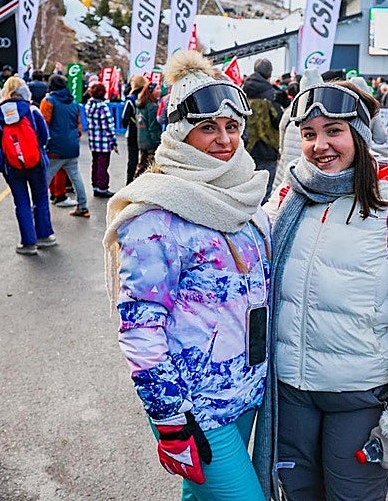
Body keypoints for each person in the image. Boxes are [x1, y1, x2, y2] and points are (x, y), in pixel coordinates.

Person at [255, 80, 388, 501]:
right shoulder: (288, 198)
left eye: (334, 131)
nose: (320, 145)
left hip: (358, 397)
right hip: (290, 392)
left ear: (360, 134)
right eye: (309, 134)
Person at [105, 50, 270, 500]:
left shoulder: (246, 198)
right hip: (195, 404)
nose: (224, 140)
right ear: (180, 133)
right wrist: (169, 418)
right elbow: (139, 328)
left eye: (232, 126)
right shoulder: (156, 216)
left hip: (246, 388)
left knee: (199, 496)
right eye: (207, 128)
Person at [0, 76, 57, 255]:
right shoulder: (32, 110)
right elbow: (44, 135)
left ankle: (28, 243)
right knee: (41, 198)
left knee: (21, 202)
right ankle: (45, 236)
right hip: (36, 162)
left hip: (10, 165)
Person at [40, 74, 90, 218]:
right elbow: (79, 125)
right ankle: (83, 206)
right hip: (72, 145)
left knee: (45, 178)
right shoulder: (74, 102)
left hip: (54, 146)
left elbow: (43, 125)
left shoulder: (48, 101)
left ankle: (39, 210)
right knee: (76, 177)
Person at [243, 57, 283, 201]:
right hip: (268, 149)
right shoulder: (272, 95)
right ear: (269, 74)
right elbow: (279, 120)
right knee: (265, 194)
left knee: (246, 191)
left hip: (246, 149)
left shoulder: (242, 92)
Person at [274, 69, 322, 187]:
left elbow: (281, 130)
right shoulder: (322, 113)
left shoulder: (293, 109)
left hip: (287, 162)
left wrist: (282, 151)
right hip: (305, 168)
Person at [85, 82, 118, 198]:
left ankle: (95, 186)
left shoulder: (89, 105)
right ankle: (102, 188)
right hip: (103, 141)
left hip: (93, 140)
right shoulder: (103, 107)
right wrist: (113, 141)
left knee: (95, 164)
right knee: (103, 165)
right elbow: (108, 126)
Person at [121, 74, 146, 184]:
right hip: (145, 130)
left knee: (133, 158)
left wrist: (126, 124)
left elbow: (124, 118)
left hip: (133, 130)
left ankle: (130, 182)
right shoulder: (146, 97)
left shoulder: (131, 99)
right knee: (145, 157)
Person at [135, 81, 161, 178]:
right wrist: (158, 142)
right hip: (150, 142)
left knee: (141, 165)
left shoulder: (140, 105)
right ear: (151, 91)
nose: (160, 91)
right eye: (157, 88)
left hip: (141, 139)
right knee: (150, 168)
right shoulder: (152, 107)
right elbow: (153, 127)